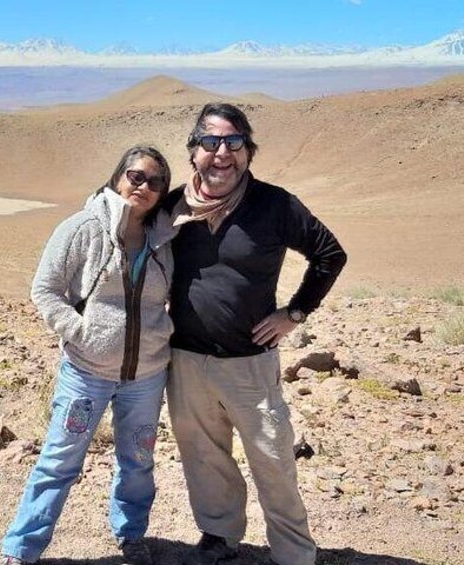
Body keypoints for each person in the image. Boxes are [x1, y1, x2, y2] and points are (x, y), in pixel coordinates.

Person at [163, 103, 347, 565]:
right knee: (204, 457)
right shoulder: (173, 206)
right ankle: (220, 535)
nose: (221, 153)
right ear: (193, 151)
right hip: (185, 360)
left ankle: (293, 552)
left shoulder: (274, 204)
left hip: (249, 363)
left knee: (273, 460)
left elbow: (330, 254)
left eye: (233, 142)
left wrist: (296, 313)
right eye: (210, 142)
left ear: (248, 151)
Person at [0, 145, 177, 565]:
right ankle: (21, 549)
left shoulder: (164, 238)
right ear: (118, 177)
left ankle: (131, 536)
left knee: (138, 461)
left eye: (155, 182)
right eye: (136, 176)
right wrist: (81, 332)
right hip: (86, 372)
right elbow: (45, 289)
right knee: (59, 460)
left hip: (146, 376)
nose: (144, 187)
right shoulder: (82, 228)